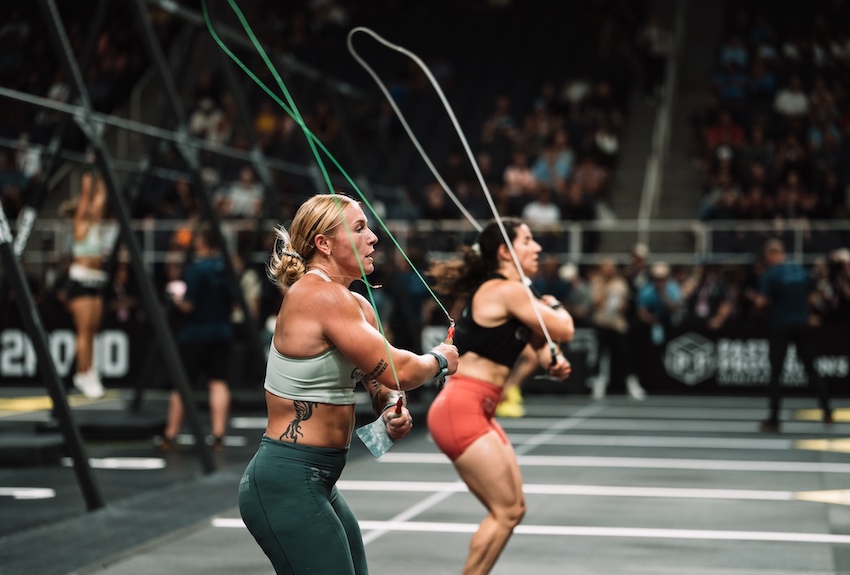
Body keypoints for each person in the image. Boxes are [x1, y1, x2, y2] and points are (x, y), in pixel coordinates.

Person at [238, 193, 458, 575]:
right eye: (359, 228)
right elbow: (398, 370)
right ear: (324, 244)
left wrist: (389, 407)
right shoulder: (318, 294)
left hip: (319, 480)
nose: (373, 237)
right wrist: (440, 360)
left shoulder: (357, 305)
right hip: (286, 479)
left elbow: (380, 379)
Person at [427, 218, 574, 575]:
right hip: (461, 407)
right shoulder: (505, 291)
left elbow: (543, 347)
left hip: (478, 408)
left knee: (513, 509)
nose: (537, 247)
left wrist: (553, 362)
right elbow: (564, 329)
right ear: (506, 252)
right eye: (528, 240)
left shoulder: (517, 295)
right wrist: (554, 305)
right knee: (506, 511)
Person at [161, 226, 234, 450]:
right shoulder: (226, 268)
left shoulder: (196, 270)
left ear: (201, 243)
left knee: (183, 384)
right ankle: (218, 434)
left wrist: (174, 297)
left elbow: (188, 305)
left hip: (195, 334)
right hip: (221, 331)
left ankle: (171, 434)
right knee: (218, 381)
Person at [751, 239, 833, 432]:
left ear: (769, 255)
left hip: (781, 324)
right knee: (811, 369)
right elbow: (812, 298)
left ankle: (774, 419)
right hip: (802, 324)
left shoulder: (770, 274)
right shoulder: (801, 271)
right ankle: (827, 412)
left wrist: (752, 297)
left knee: (776, 372)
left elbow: (761, 302)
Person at [64, 155, 108, 399]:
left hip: (96, 280)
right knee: (83, 331)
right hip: (80, 280)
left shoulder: (95, 223)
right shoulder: (80, 224)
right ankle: (82, 373)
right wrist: (89, 168)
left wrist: (99, 171)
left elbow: (101, 196)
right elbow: (87, 195)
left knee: (92, 330)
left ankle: (88, 370)